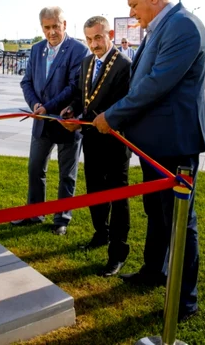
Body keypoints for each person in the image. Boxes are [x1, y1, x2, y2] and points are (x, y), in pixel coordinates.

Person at [92, 0, 205, 322]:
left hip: (174, 142)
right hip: (153, 143)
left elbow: (157, 84)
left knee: (179, 222)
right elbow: (139, 80)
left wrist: (112, 116)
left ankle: (184, 300)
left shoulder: (183, 26)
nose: (132, 13)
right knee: (156, 213)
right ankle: (153, 271)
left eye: (133, 5)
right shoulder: (164, 27)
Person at [60, 16, 132, 277]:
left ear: (109, 33)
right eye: (89, 39)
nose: (94, 44)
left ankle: (118, 252)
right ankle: (100, 233)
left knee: (117, 195)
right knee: (94, 190)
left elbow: (121, 105)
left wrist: (82, 121)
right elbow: (83, 98)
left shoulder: (124, 65)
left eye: (98, 38)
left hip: (115, 141)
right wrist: (72, 110)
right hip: (91, 140)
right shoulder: (87, 62)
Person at [17, 6, 89, 235]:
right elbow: (26, 82)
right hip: (41, 120)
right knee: (35, 168)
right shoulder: (37, 49)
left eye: (56, 26)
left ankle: (62, 219)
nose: (52, 32)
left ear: (64, 25)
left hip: (67, 120)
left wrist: (47, 107)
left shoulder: (79, 50)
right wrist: (35, 105)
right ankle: (35, 212)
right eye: (47, 27)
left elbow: (73, 87)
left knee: (67, 173)